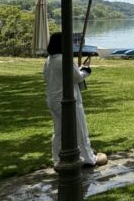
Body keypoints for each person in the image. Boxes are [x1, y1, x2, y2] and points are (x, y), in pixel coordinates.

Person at [44, 33, 108, 168]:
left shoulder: (50, 60)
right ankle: (88, 158)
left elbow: (65, 75)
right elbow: (77, 77)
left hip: (53, 99)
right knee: (80, 128)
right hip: (67, 100)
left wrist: (78, 70)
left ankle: (57, 158)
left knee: (59, 131)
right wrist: (86, 71)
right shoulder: (64, 59)